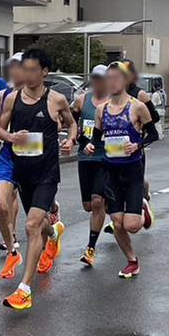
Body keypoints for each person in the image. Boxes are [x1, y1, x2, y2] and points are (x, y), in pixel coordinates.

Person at [0, 48, 76, 310]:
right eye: (24, 69)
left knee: (31, 225)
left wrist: (71, 140)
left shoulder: (56, 100)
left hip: (47, 174)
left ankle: (24, 289)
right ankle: (54, 233)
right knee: (41, 225)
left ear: (44, 71)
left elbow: (71, 123)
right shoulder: (11, 99)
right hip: (23, 173)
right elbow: (0, 129)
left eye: (33, 70)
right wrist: (11, 138)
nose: (27, 74)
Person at [84, 62, 157, 277]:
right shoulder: (101, 110)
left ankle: (142, 208)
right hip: (111, 171)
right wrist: (89, 145)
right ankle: (132, 260)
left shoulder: (137, 107)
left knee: (132, 225)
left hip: (133, 170)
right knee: (117, 222)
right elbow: (96, 139)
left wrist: (138, 145)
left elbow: (153, 133)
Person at [72, 64, 110, 267]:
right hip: (85, 158)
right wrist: (78, 142)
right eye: (94, 77)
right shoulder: (82, 101)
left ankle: (90, 248)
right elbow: (72, 125)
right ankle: (114, 203)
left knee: (96, 201)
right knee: (89, 206)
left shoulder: (114, 102)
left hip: (107, 158)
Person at [0, 53, 24, 277]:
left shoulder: (46, 97)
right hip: (8, 154)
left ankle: (53, 212)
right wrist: (0, 134)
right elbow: (1, 120)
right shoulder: (4, 94)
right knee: (3, 204)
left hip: (33, 156)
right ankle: (12, 244)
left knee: (37, 211)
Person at [120, 59, 157, 215]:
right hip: (115, 146)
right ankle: (117, 216)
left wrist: (139, 122)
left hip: (135, 146)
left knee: (133, 181)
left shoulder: (139, 94)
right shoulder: (111, 94)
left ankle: (142, 195)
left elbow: (154, 118)